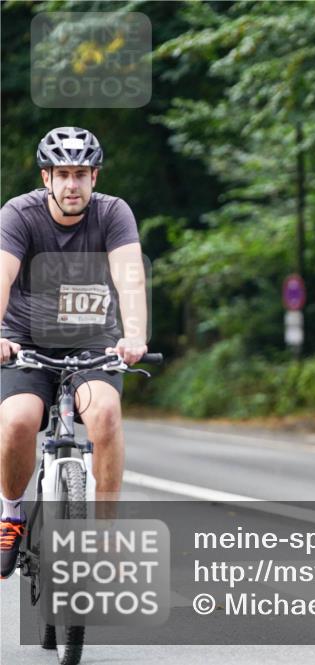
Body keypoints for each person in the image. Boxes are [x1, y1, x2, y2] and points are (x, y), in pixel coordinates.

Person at [0, 127, 148, 578]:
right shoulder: (19, 215)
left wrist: (134, 336)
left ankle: (103, 535)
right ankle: (11, 514)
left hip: (91, 342)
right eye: (62, 174)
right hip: (24, 341)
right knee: (19, 419)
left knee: (104, 415)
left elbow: (129, 278)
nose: (71, 185)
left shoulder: (113, 214)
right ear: (46, 177)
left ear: (94, 177)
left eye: (80, 174)